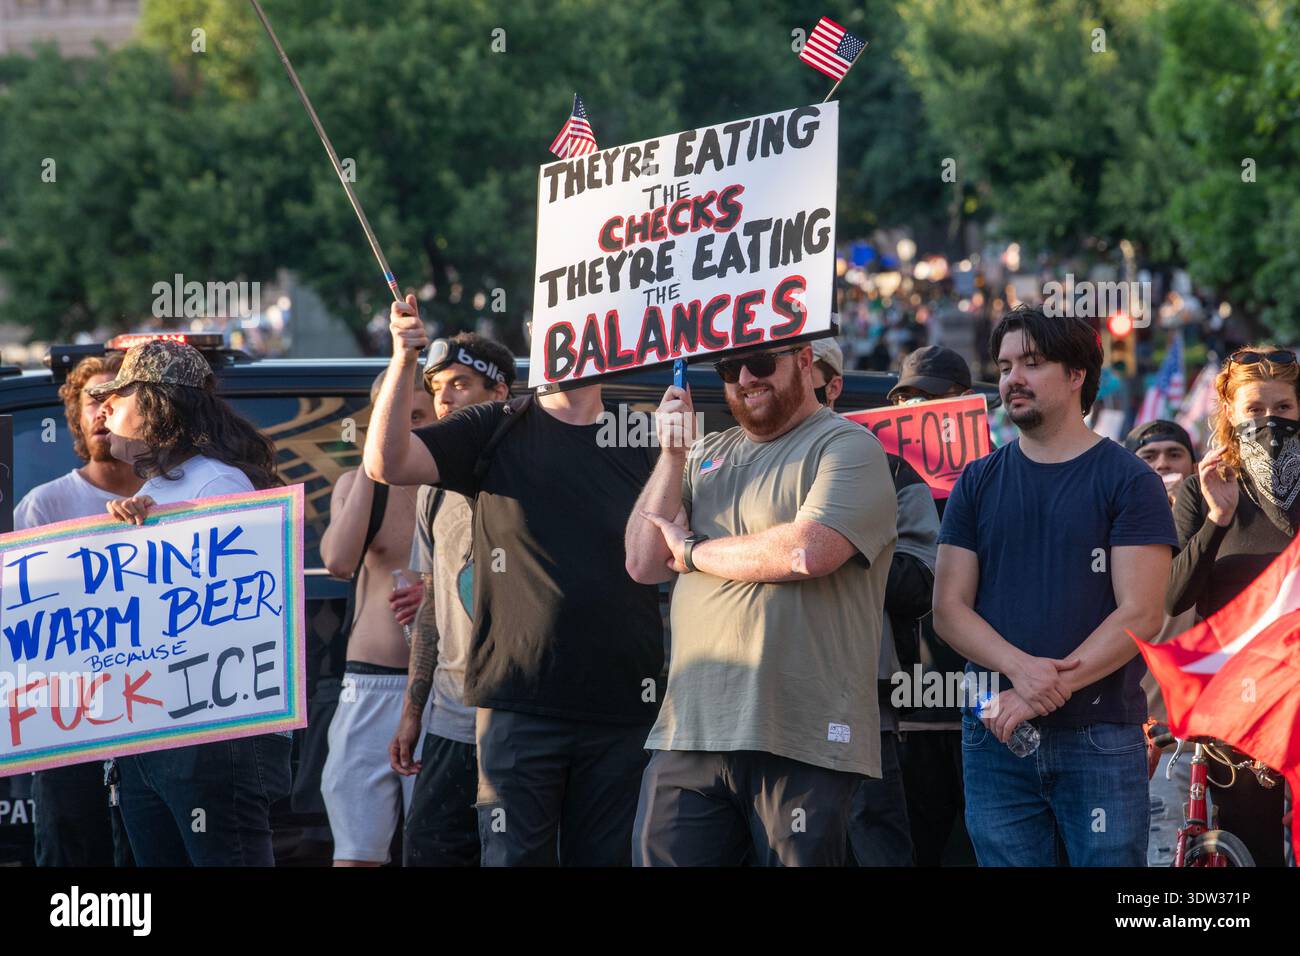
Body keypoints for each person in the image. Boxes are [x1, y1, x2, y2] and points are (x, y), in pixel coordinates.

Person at [365, 295, 662, 867]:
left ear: (614, 341)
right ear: (537, 337)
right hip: (517, 706)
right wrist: (404, 359)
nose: (574, 341)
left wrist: (676, 451)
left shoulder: (641, 435)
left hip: (623, 708)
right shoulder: (494, 425)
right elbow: (386, 464)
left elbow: (673, 553)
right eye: (554, 327)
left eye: (590, 327)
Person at [627, 339, 897, 866]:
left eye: (760, 362)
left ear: (802, 360)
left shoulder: (848, 446)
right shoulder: (705, 453)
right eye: (729, 366)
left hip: (802, 733)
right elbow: (642, 561)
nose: (745, 376)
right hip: (692, 727)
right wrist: (672, 453)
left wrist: (693, 551)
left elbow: (804, 551)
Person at [933, 305, 1176, 867]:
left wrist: (1040, 690)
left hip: (1099, 736)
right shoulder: (978, 479)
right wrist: (1020, 671)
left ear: (1076, 376)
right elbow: (948, 609)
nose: (1012, 378)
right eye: (1004, 365)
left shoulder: (1128, 479)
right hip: (994, 734)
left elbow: (1140, 614)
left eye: (1033, 362)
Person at [93, 338, 291, 866]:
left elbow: (240, 610)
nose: (105, 406)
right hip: (150, 734)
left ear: (158, 403)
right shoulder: (158, 494)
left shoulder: (218, 483)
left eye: (121, 394)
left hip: (210, 737)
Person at [1165, 348, 1297, 867]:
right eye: (1255, 410)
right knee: (1255, 848)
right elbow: (1174, 597)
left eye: (1283, 408)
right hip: (1244, 701)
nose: (1269, 421)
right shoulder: (1205, 489)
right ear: (1230, 411)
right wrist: (1217, 517)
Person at [388, 333, 513, 867]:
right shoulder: (432, 488)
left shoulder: (531, 470)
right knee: (430, 852)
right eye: (438, 388)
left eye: (461, 384)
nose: (445, 399)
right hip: (450, 718)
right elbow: (435, 603)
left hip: (521, 720)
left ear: (500, 392)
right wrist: (414, 710)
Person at [14, 353, 140, 868]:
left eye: (115, 400)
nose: (101, 412)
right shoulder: (43, 507)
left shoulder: (176, 500)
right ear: (76, 415)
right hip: (67, 727)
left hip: (155, 723)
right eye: (92, 400)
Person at [810, 336, 930, 866]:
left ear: (833, 386)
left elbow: (920, 582)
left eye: (801, 367)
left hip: (855, 693)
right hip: (756, 694)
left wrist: (831, 550)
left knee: (870, 830)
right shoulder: (736, 462)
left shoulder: (894, 472)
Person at [317, 368, 434, 866]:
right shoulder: (358, 483)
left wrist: (438, 587)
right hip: (371, 686)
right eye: (392, 415)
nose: (405, 428)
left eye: (418, 416)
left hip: (441, 690)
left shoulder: (459, 484)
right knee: (357, 851)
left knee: (437, 846)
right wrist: (372, 461)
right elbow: (338, 562)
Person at [886, 345, 979, 866]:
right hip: (907, 708)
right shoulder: (882, 481)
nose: (912, 410)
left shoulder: (993, 479)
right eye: (903, 399)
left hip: (977, 708)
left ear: (962, 403)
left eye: (926, 398)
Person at [1123, 418, 1199, 867]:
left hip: (1224, 726)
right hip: (1155, 735)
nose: (1163, 466)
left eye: (1174, 455)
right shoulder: (1121, 534)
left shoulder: (1219, 526)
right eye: (1148, 457)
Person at [887, 345, 974, 405]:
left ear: (968, 398)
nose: (915, 404)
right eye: (905, 397)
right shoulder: (880, 431)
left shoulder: (985, 430)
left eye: (930, 396)